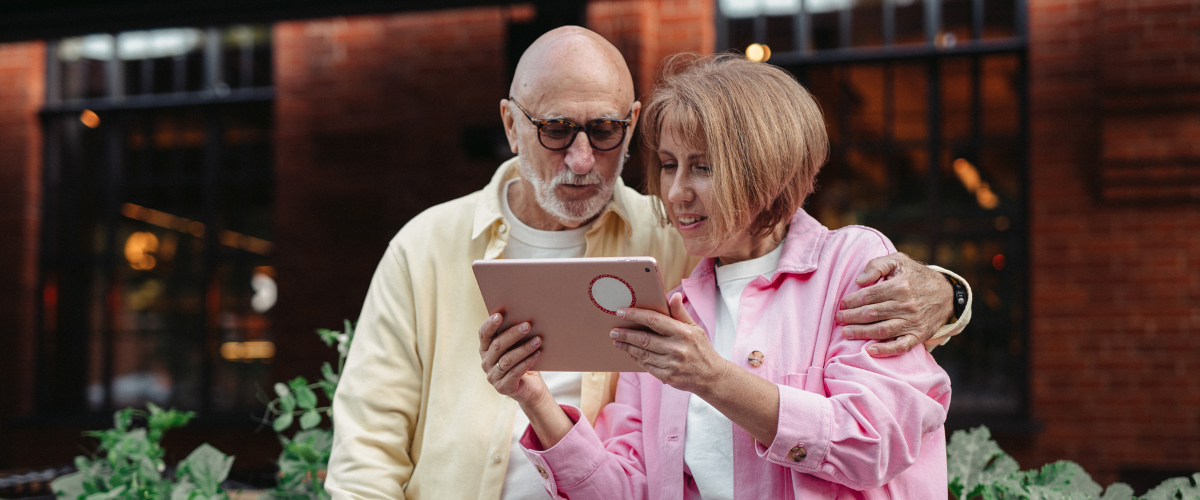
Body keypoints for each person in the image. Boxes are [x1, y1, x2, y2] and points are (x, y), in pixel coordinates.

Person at [327, 27, 970, 500]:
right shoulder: (428, 245)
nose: (581, 159)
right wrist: (532, 397)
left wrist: (948, 293)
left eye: (604, 131)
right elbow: (367, 449)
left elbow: (879, 431)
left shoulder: (670, 253)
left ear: (630, 125)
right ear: (511, 123)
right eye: (555, 129)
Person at [479, 54, 951, 499]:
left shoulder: (853, 266)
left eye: (702, 166)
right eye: (668, 165)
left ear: (771, 172)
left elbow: (877, 443)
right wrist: (534, 398)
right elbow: (629, 490)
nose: (677, 191)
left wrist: (713, 379)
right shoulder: (669, 309)